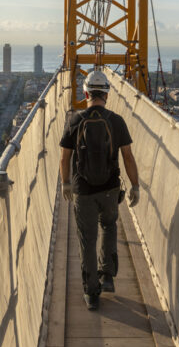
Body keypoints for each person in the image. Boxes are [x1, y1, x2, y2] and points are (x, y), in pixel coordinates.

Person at [60, 69, 139, 311]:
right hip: (110, 189)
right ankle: (107, 276)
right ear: (107, 94)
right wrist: (135, 185)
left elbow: (65, 159)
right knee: (108, 226)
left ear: (85, 93)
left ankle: (91, 293)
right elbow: (127, 156)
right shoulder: (116, 121)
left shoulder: (75, 120)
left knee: (87, 239)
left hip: (83, 191)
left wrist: (66, 183)